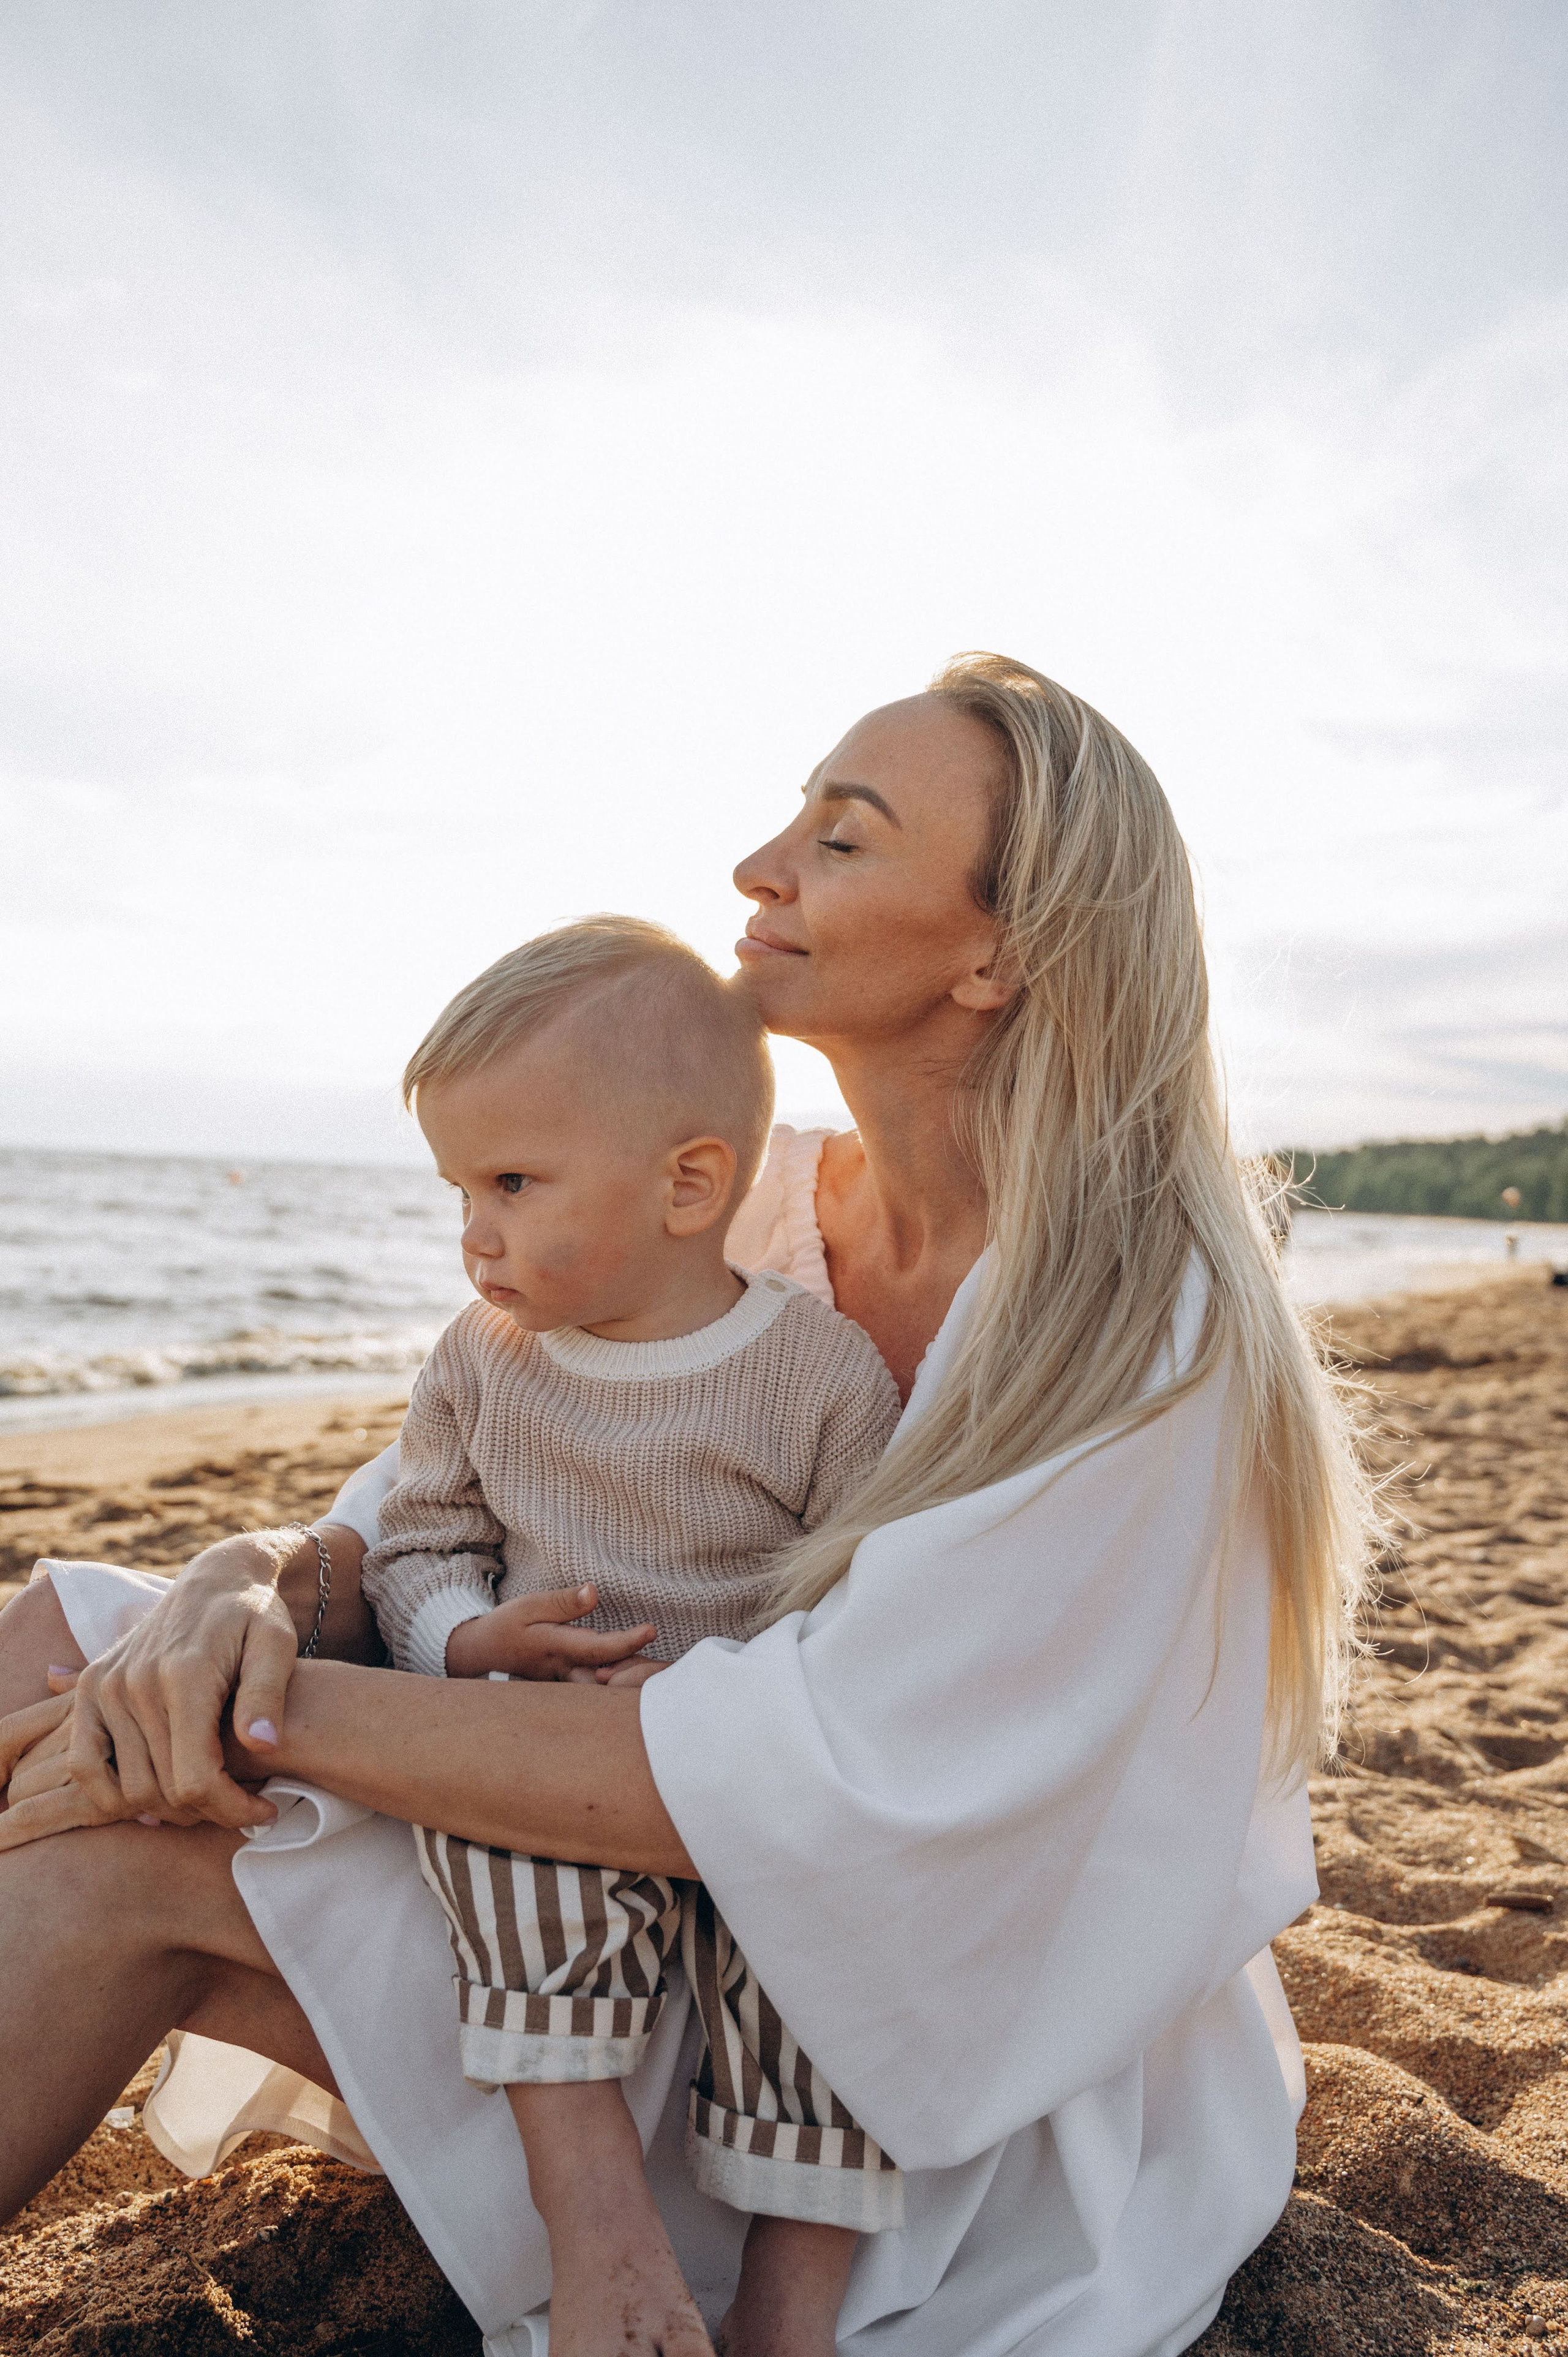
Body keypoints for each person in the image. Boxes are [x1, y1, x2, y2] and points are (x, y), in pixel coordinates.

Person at [0, 652, 1374, 2357]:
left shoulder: (1132, 1329)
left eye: (844, 839)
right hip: (627, 1897)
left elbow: (790, 1785)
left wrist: (253, 1712)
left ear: (999, 950)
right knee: (55, 1635)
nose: (760, 865)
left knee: (108, 1833)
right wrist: (249, 1577)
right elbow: (426, 1510)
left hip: (898, 2061)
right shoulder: (748, 1205)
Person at [364, 913, 904, 2355]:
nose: (473, 1231)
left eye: (514, 1182)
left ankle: (794, 2295)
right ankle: (589, 2204)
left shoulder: (813, 1373)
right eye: (457, 1188)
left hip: (740, 1769)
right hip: (552, 1761)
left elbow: (869, 1598)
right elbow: (418, 1540)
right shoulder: (483, 1358)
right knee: (492, 1820)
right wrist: (471, 1644)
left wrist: (752, 1724)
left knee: (841, 1942)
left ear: (687, 1184)